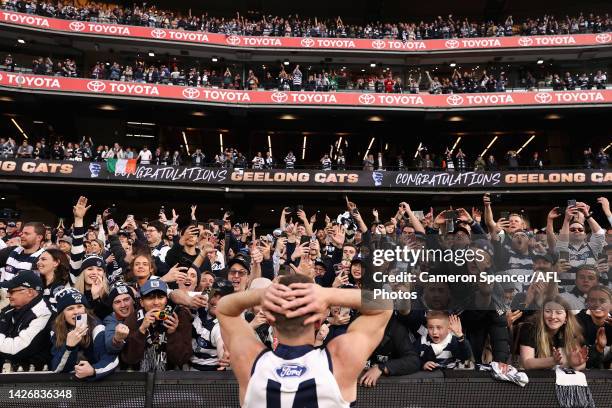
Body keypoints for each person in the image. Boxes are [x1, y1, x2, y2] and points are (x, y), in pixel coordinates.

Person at [217, 273, 392, 407]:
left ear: (270, 319)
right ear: (318, 322)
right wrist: (328, 294)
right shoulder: (341, 359)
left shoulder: (249, 362)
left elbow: (223, 308)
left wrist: (261, 295)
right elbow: (385, 305)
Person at [121, 279, 192, 371]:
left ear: (166, 300)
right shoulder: (133, 319)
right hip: (139, 379)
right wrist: (141, 330)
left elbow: (181, 359)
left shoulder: (178, 316)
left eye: (160, 297)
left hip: (169, 379)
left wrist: (172, 333)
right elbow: (129, 359)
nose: (156, 302)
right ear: (141, 302)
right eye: (150, 298)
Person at [50, 288, 118, 380]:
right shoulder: (57, 330)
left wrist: (93, 370)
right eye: (70, 309)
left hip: (99, 385)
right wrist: (69, 347)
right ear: (63, 315)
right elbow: (58, 368)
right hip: (69, 386)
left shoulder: (96, 327)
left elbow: (112, 360)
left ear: (85, 309)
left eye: (79, 306)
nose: (76, 312)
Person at [0, 271, 52, 371]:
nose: (7, 296)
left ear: (30, 292)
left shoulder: (44, 313)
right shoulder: (9, 311)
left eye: (12, 291)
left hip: (37, 381)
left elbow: (15, 349)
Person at [519, 296, 587, 370]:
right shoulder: (529, 328)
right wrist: (553, 360)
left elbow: (580, 365)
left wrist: (575, 364)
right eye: (548, 311)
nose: (553, 316)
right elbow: (527, 363)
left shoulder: (570, 331)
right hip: (534, 378)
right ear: (542, 314)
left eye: (558, 312)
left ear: (566, 318)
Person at [191, 278, 234, 371]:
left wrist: (224, 357)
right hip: (186, 372)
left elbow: (221, 341)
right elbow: (174, 294)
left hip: (208, 379)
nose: (216, 301)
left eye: (222, 297)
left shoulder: (221, 326)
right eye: (214, 295)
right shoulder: (201, 307)